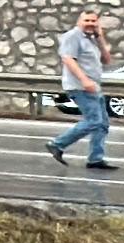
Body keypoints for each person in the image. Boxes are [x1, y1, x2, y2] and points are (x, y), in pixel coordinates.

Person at [46, 9, 118, 170]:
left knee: (102, 124)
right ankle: (57, 144)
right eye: (87, 21)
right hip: (81, 86)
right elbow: (68, 59)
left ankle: (95, 159)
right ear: (79, 21)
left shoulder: (92, 39)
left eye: (93, 21)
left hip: (94, 86)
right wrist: (84, 80)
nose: (90, 24)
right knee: (94, 121)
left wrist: (100, 38)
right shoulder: (73, 36)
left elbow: (107, 60)